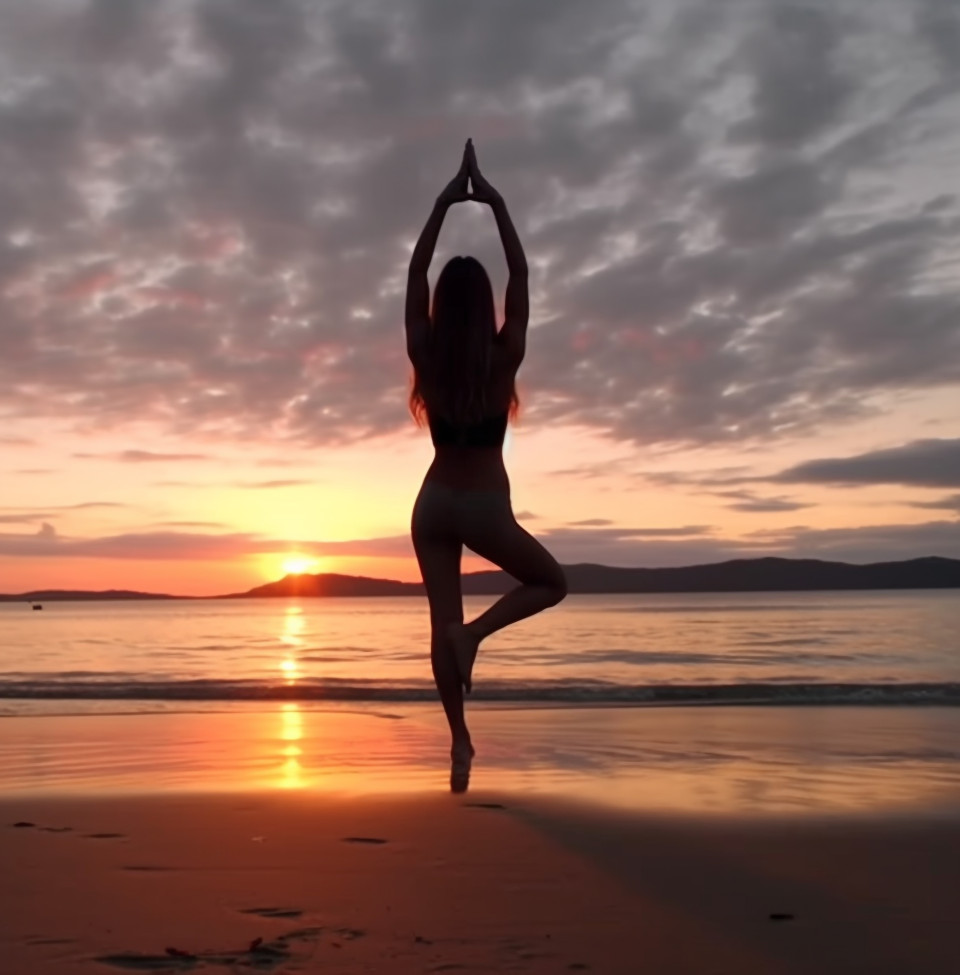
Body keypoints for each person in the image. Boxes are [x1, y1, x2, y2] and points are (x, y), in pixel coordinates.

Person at [405, 139, 568, 793]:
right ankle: (476, 636)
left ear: (445, 307)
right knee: (550, 581)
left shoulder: (427, 353)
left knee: (437, 623)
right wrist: (496, 204)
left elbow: (414, 279)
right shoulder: (504, 356)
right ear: (487, 308)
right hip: (482, 505)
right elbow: (523, 282)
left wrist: (445, 204)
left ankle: (460, 742)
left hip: (433, 503)